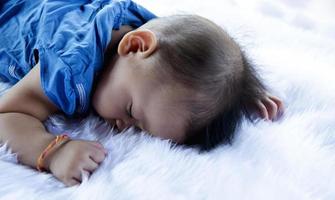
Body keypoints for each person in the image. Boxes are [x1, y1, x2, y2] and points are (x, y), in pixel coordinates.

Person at [0, 0, 283, 186]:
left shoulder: (149, 45)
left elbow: (208, 55)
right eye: (132, 111)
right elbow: (8, 112)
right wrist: (53, 152)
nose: (123, 127)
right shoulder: (70, 67)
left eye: (139, 129)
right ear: (135, 46)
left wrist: (236, 91)